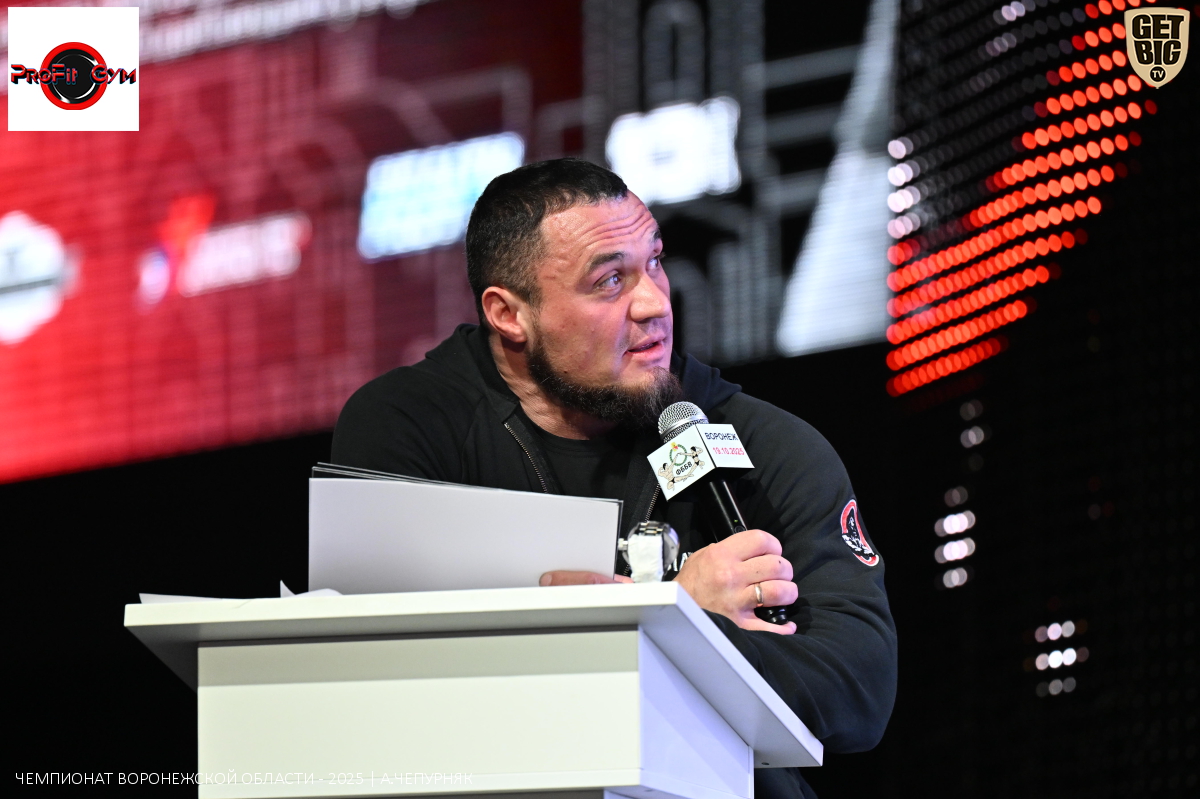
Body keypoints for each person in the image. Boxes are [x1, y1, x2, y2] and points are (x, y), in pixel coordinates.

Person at [332, 158, 897, 799]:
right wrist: (673, 618)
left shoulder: (764, 445)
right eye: (609, 281)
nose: (655, 302)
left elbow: (860, 690)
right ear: (509, 314)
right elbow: (377, 684)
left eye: (655, 261)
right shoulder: (408, 428)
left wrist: (661, 636)